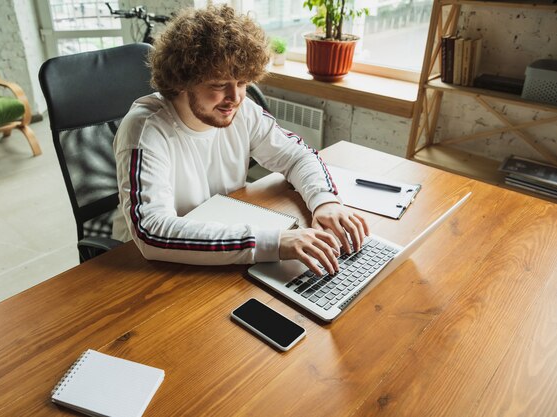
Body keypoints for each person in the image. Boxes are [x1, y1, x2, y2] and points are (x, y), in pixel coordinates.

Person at [112, 5, 369, 276]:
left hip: (224, 243)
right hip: (151, 267)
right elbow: (152, 231)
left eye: (243, 82)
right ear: (182, 80)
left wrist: (324, 200)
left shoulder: (242, 111)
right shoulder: (145, 129)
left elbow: (297, 155)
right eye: (218, 84)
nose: (235, 98)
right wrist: (275, 241)